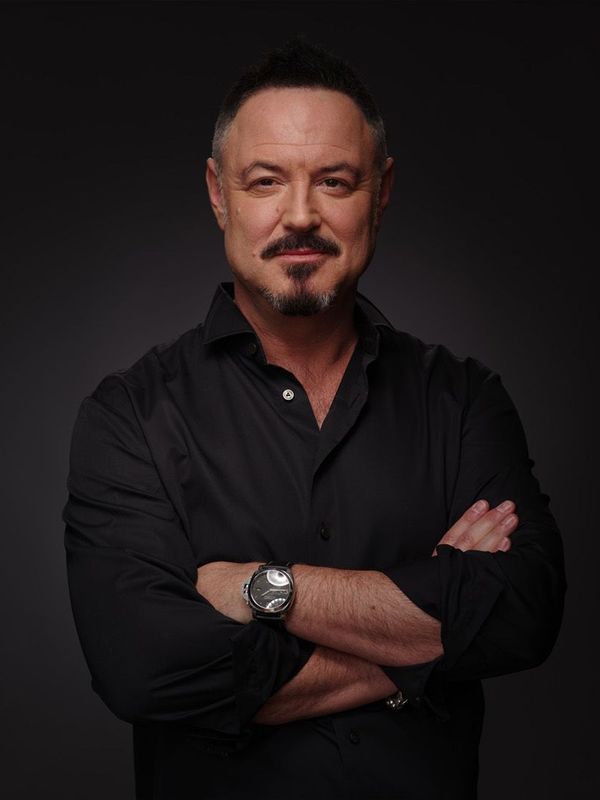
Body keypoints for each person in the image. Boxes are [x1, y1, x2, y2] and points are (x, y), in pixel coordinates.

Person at [63, 39, 566, 800]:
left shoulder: (464, 399)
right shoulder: (128, 416)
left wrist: (267, 587)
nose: (300, 216)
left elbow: (523, 612)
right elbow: (148, 670)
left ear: (381, 192)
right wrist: (424, 638)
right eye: (265, 181)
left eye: (334, 181)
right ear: (219, 193)